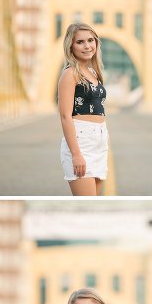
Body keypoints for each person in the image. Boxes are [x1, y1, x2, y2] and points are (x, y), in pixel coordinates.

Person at [58, 23, 110, 196]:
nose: (87, 46)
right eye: (80, 42)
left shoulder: (93, 73)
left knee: (95, 201)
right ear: (70, 46)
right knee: (87, 199)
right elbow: (65, 116)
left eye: (90, 40)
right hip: (82, 143)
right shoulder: (70, 73)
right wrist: (76, 154)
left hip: (99, 142)